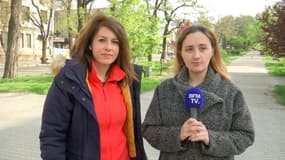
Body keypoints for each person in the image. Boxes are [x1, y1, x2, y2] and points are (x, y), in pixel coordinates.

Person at [39, 12, 147, 160]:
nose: (109, 47)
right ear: (90, 43)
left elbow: (133, 134)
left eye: (115, 42)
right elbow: (52, 135)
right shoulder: (69, 79)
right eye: (102, 40)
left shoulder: (128, 81)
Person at [142, 24, 255, 160]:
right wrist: (178, 134)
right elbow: (149, 130)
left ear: (212, 50)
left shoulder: (231, 92)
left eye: (203, 48)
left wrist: (211, 138)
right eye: (189, 49)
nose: (196, 55)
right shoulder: (165, 90)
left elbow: (246, 135)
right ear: (181, 53)